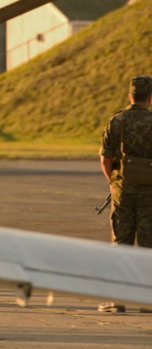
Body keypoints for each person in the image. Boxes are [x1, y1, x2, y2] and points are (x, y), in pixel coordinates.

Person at [97, 75, 152, 313]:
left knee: (121, 241)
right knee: (149, 244)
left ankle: (117, 299)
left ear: (131, 95)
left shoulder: (117, 120)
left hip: (123, 189)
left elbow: (105, 159)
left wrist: (113, 182)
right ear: (150, 98)